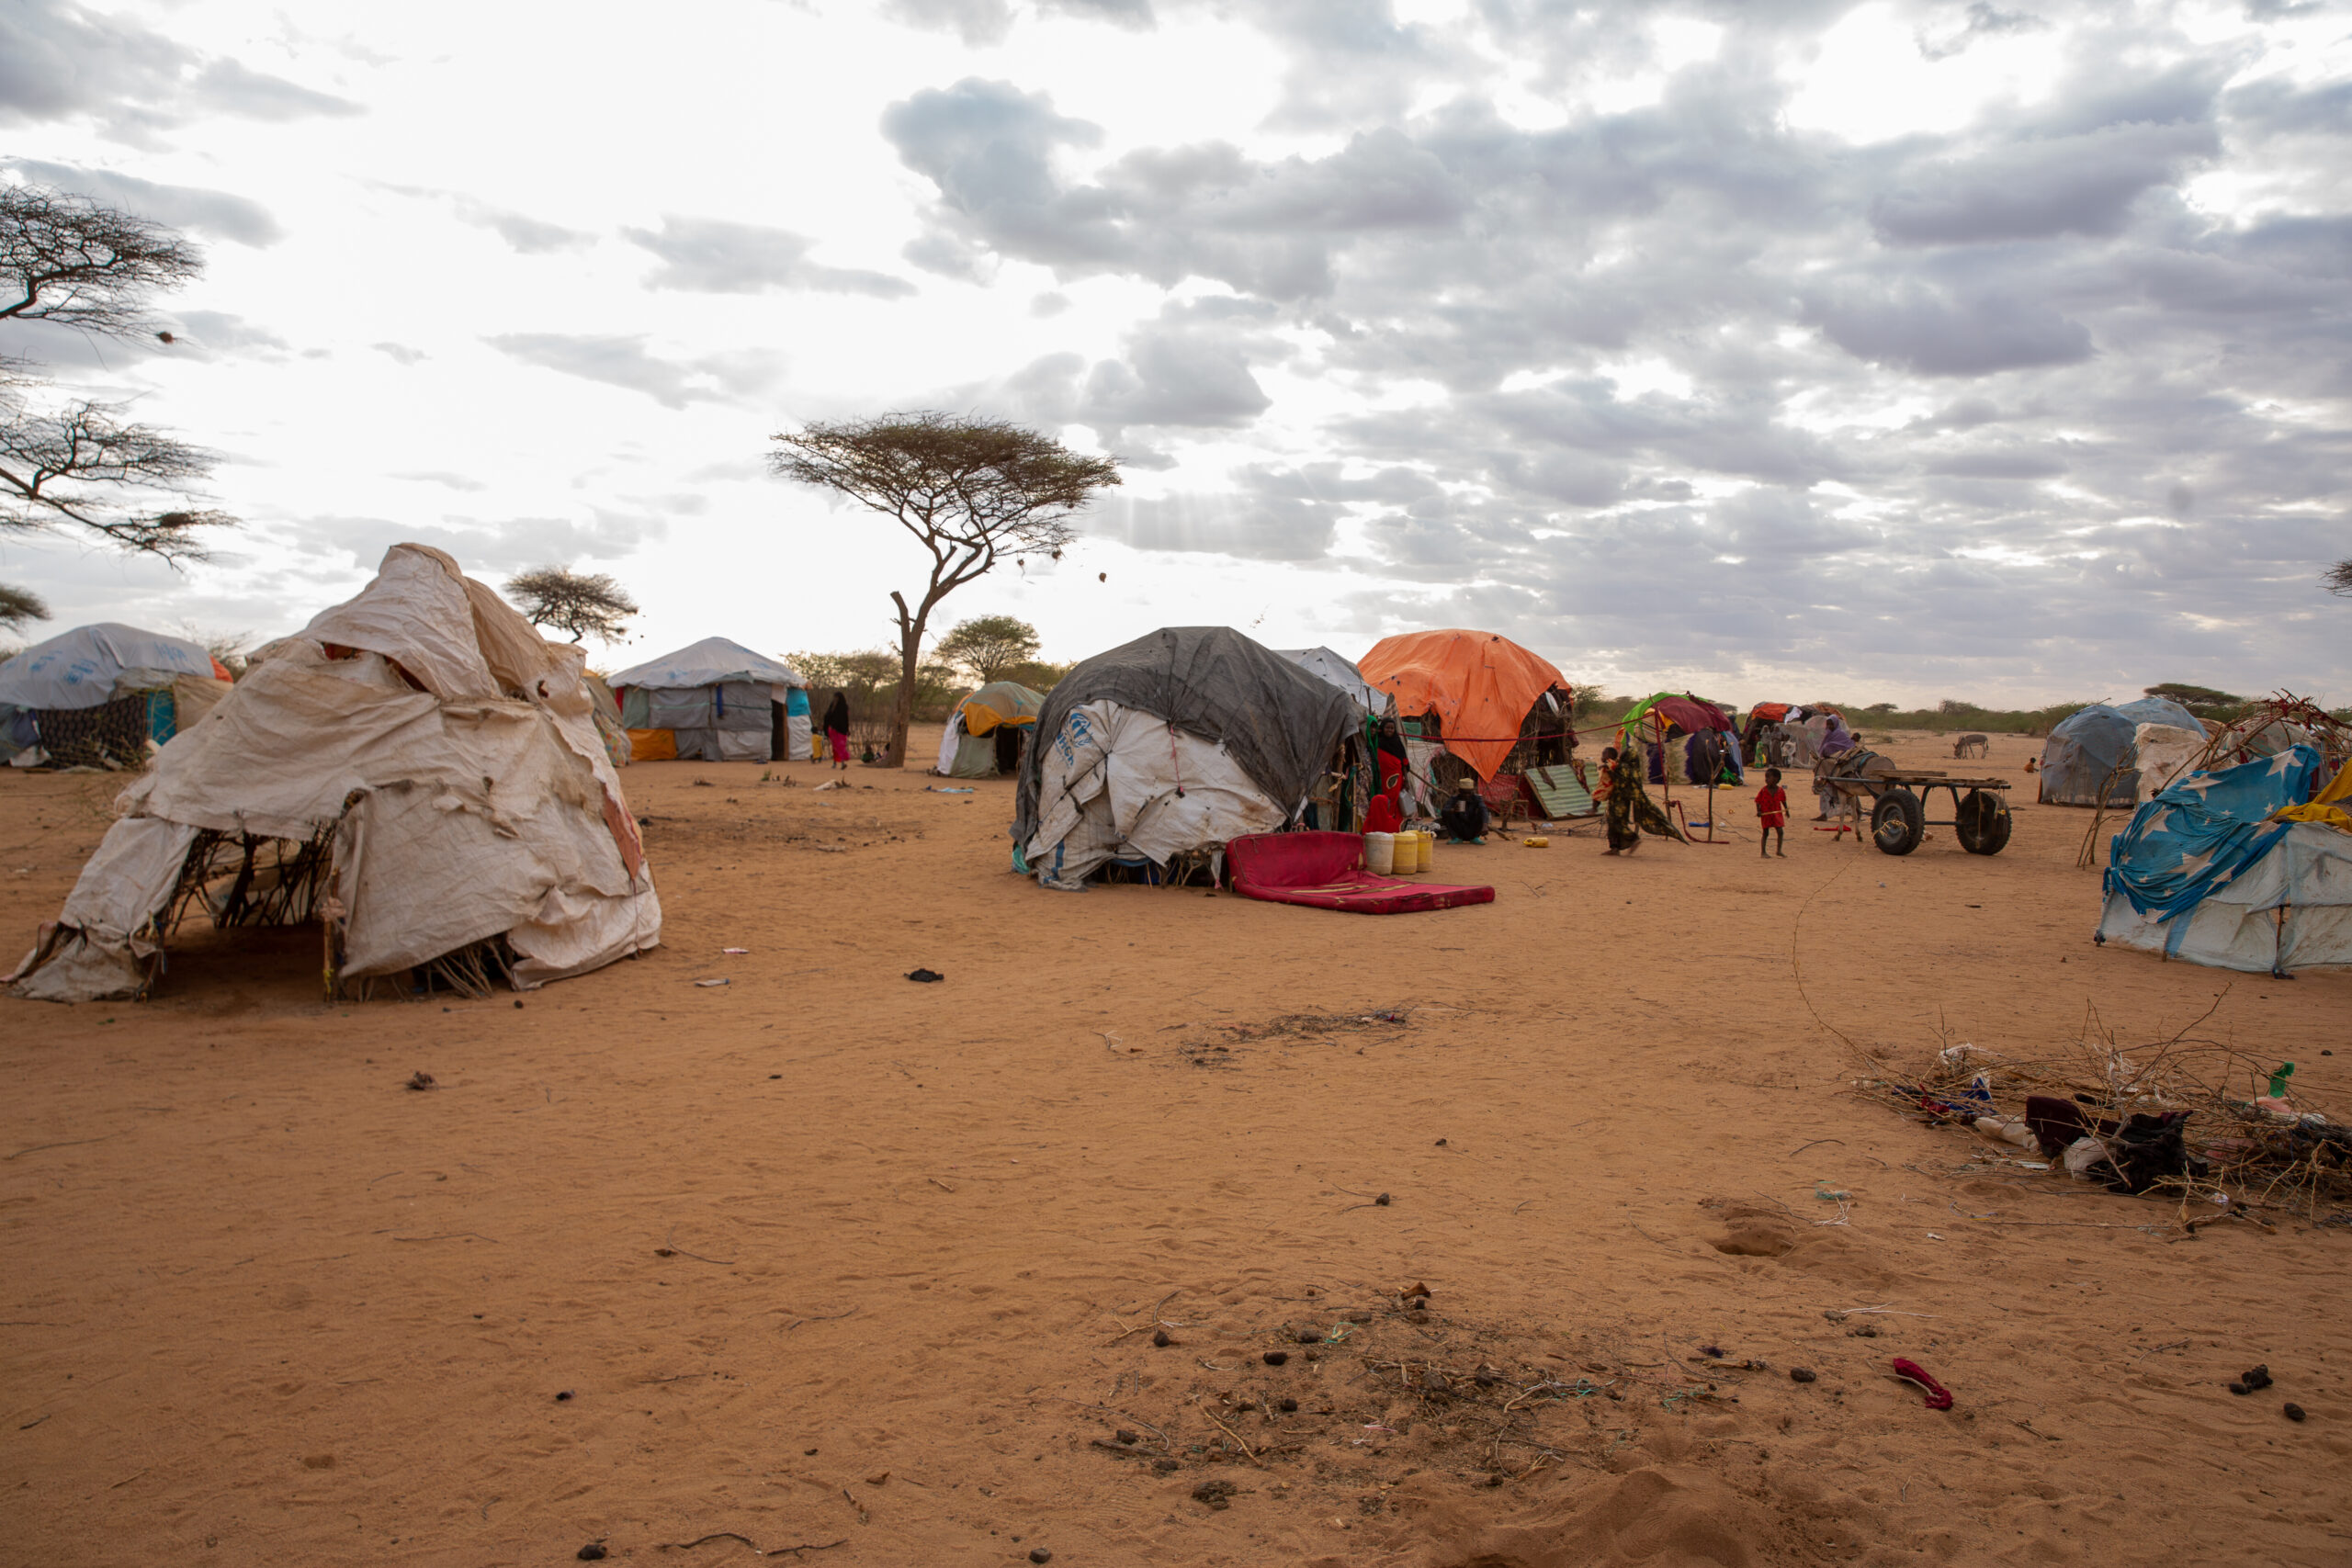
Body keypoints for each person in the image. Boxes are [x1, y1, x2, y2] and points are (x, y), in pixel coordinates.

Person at [1602, 738, 1684, 854]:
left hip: (1621, 801)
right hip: (1616, 799)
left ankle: (1633, 839)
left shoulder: (1624, 768)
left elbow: (1621, 783)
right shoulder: (1627, 768)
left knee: (1617, 823)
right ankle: (1614, 848)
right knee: (1612, 824)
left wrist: (1611, 772)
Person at [1440, 777, 1489, 843]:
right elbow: (1444, 811)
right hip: (1459, 828)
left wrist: (1485, 825)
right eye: (1464, 793)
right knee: (1446, 813)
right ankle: (1455, 837)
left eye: (1469, 793)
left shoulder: (1477, 798)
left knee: (1483, 811)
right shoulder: (1454, 798)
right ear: (1459, 791)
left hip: (1472, 828)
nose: (1466, 795)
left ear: (1472, 791)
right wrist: (1453, 810)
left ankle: (1475, 837)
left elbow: (1484, 809)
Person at [1756, 766, 1789, 858]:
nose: (1766, 780)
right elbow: (1758, 801)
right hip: (1766, 814)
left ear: (1776, 779)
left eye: (1768, 777)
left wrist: (1787, 811)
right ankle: (1763, 852)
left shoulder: (1780, 791)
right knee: (1765, 833)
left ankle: (1779, 850)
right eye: (1766, 777)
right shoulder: (1763, 790)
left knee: (1780, 831)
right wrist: (1758, 811)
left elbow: (1783, 801)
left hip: (1777, 814)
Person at [823, 690, 851, 771]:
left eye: (837, 697)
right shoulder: (832, 706)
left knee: (841, 746)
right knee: (835, 747)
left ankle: (842, 762)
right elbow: (827, 716)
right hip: (833, 729)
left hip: (842, 730)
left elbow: (846, 719)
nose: (835, 699)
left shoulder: (844, 706)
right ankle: (835, 762)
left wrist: (847, 729)